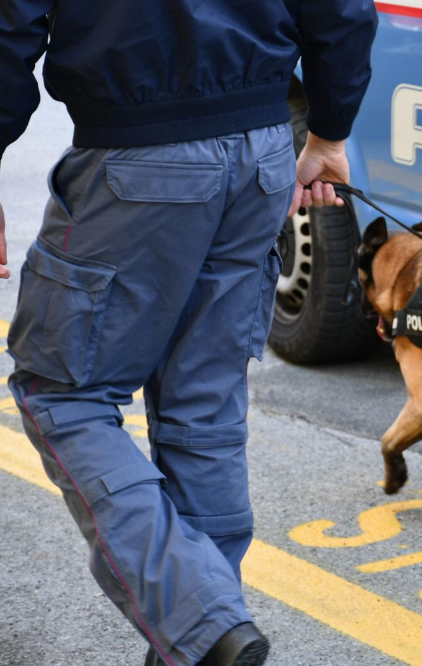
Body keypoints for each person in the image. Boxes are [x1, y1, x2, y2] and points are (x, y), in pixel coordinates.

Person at [0, 0, 377, 664]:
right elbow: (342, 10)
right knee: (204, 406)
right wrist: (329, 133)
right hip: (260, 151)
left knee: (62, 393)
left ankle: (202, 623)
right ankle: (204, 638)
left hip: (136, 154)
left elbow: (10, 28)